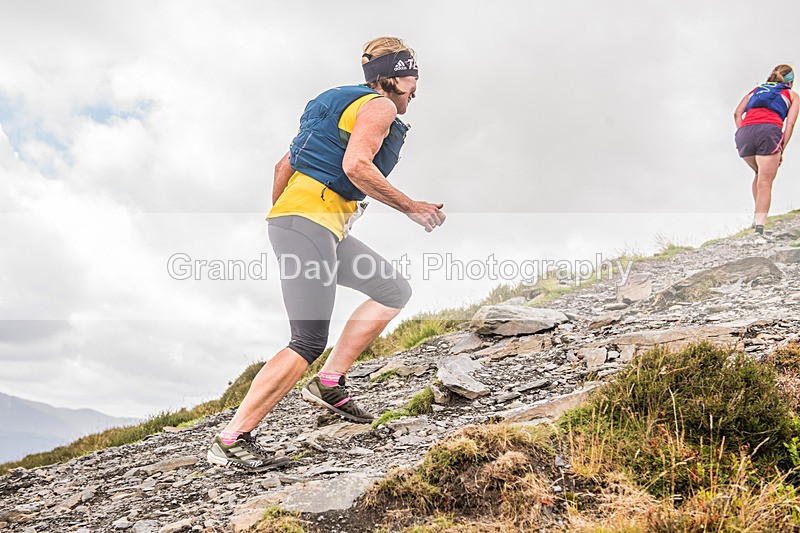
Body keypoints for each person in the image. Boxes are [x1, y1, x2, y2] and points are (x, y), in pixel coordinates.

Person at [206, 36, 446, 471]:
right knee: (307, 339)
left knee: (392, 290)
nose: (416, 86)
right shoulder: (379, 106)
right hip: (309, 224)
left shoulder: (339, 105)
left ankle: (329, 382)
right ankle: (230, 440)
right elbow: (356, 166)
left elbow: (284, 166)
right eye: (413, 76)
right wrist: (412, 207)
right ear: (392, 77)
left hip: (312, 224)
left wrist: (285, 217)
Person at [734, 64, 799, 235]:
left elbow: (737, 113)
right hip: (769, 131)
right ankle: (759, 228)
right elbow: (790, 124)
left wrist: (742, 131)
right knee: (765, 182)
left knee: (758, 174)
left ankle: (756, 219)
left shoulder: (756, 90)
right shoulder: (791, 94)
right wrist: (781, 148)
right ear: (791, 82)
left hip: (744, 133)